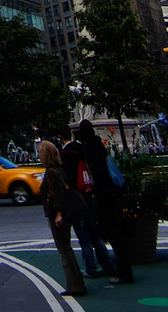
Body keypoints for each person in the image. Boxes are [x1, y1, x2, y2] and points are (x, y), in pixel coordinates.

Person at [76, 119, 134, 285]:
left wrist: (95, 192)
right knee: (116, 234)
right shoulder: (99, 145)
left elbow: (98, 175)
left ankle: (123, 273)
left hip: (104, 196)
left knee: (113, 234)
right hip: (111, 194)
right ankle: (123, 271)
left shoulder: (90, 149)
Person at [58, 125, 114, 278]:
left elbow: (67, 177)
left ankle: (90, 268)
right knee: (95, 234)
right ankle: (107, 264)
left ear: (60, 136)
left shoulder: (65, 153)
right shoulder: (82, 148)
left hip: (76, 198)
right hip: (89, 194)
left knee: (84, 237)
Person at [38, 139, 87, 297]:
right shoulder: (58, 169)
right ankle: (76, 283)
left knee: (64, 249)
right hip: (62, 213)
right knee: (66, 248)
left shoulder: (51, 172)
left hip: (57, 214)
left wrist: (58, 213)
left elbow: (58, 194)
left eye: (40, 152)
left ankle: (75, 285)